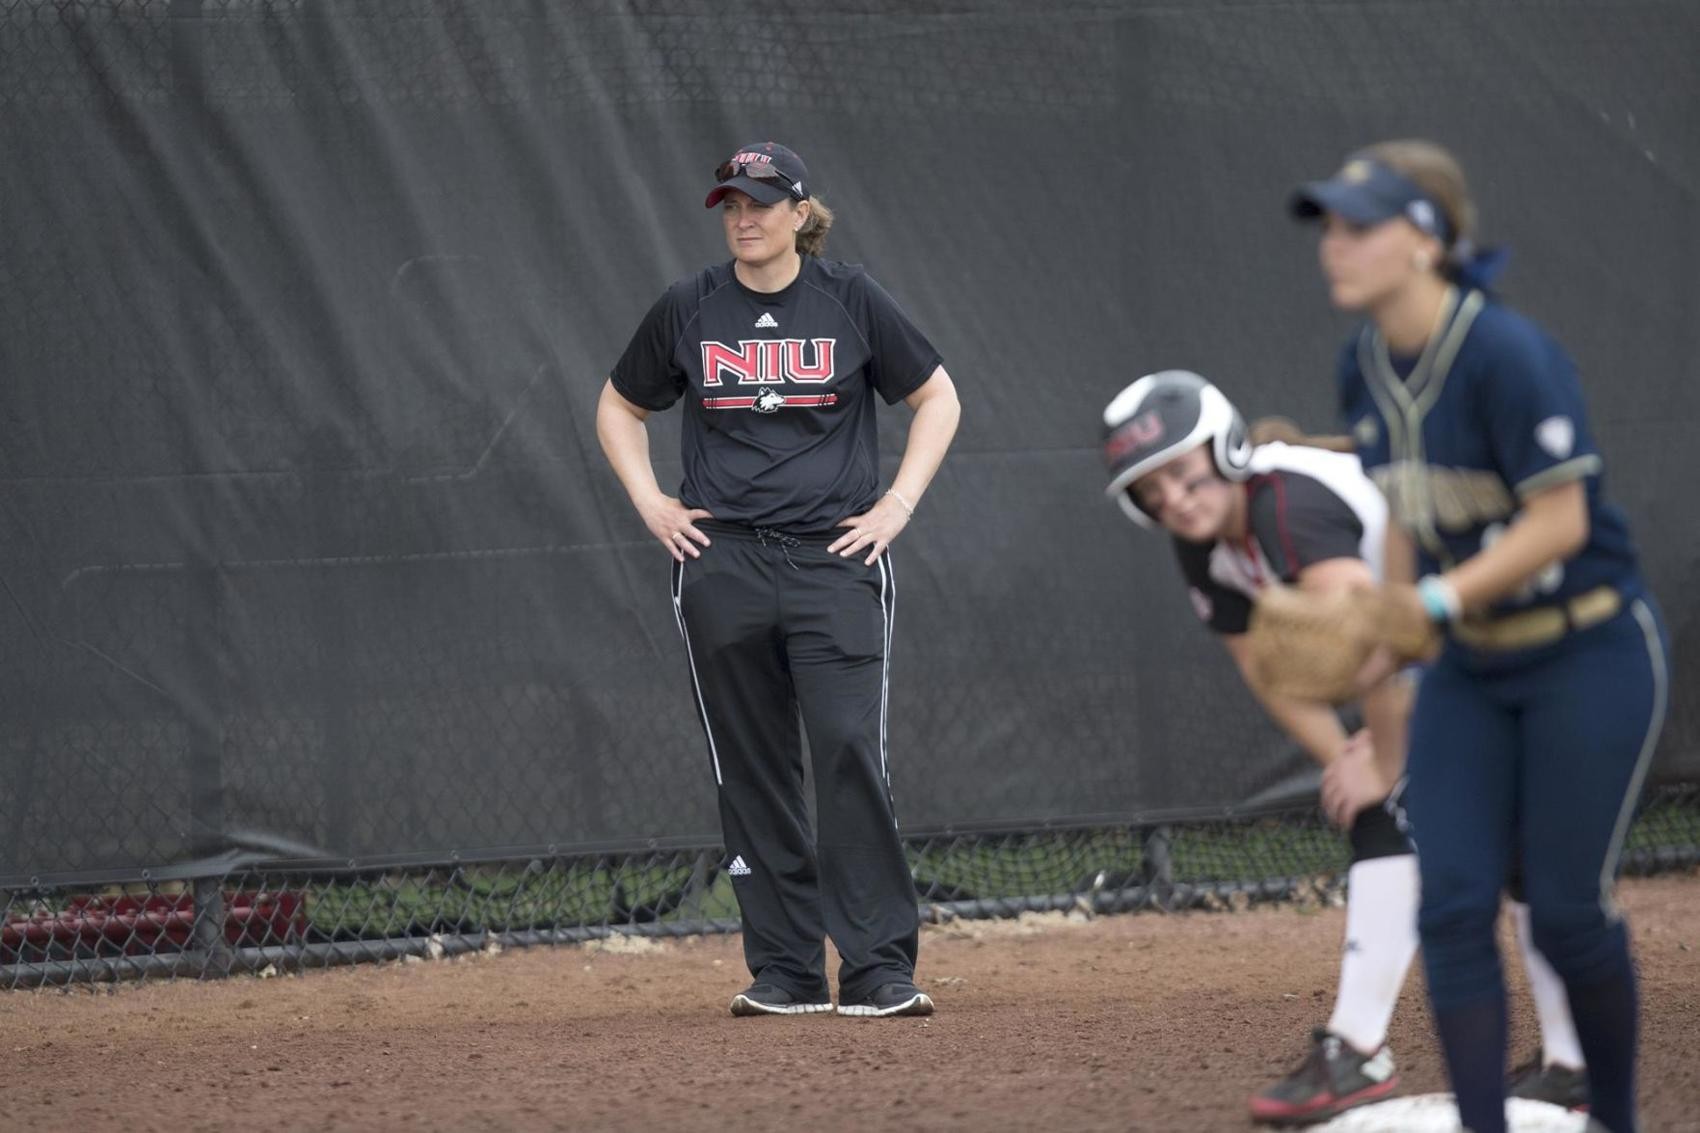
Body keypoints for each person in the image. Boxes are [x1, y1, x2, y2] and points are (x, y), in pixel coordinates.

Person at [1290, 140, 1669, 1133]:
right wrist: (1386, 636)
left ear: (1423, 240)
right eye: (1327, 223)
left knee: (1564, 909)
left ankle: (1614, 1116)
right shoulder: (1363, 362)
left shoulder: (1506, 353)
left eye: (1357, 224)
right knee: (1452, 905)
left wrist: (1432, 608)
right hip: (1468, 665)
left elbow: (1560, 523)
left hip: (1583, 652)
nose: (1333, 244)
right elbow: (1406, 510)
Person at [1100, 372, 1593, 1126]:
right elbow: (1267, 672)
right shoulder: (1202, 546)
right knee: (1401, 813)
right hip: (1436, 650)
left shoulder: (1284, 506)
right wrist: (1346, 756)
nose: (1171, 497)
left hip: (1510, 621)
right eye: (1149, 489)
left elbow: (1381, 641)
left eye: (1178, 469)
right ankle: (1557, 1063)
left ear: (1224, 443)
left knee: (1441, 820)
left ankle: (1369, 1052)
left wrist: (1385, 763)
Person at [596, 141, 961, 1019]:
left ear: (802, 213)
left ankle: (876, 967)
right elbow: (619, 404)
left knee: (846, 750)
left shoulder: (851, 299)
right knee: (752, 768)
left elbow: (939, 397)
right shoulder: (690, 306)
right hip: (722, 564)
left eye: (761, 201)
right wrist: (651, 501)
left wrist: (897, 506)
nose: (743, 217)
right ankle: (788, 969)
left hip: (834, 562)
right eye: (731, 202)